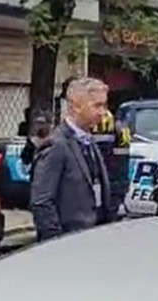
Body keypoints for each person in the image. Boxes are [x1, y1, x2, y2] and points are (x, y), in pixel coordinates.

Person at [29, 77, 113, 241]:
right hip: (69, 243)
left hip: (95, 237)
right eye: (97, 105)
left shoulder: (89, 140)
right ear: (75, 106)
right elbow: (42, 202)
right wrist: (56, 243)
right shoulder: (57, 145)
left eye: (104, 105)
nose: (103, 112)